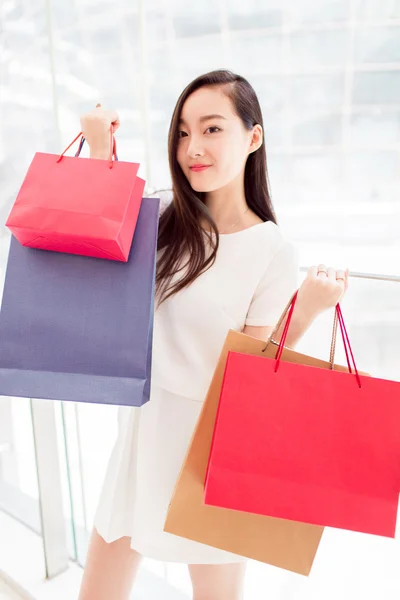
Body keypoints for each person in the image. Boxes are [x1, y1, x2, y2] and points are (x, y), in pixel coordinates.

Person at [77, 69, 349, 600]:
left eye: (211, 129)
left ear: (254, 136)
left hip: (213, 450)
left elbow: (254, 370)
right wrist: (99, 147)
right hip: (144, 436)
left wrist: (309, 309)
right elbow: (93, 245)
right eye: (182, 132)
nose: (192, 148)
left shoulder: (273, 250)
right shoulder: (160, 220)